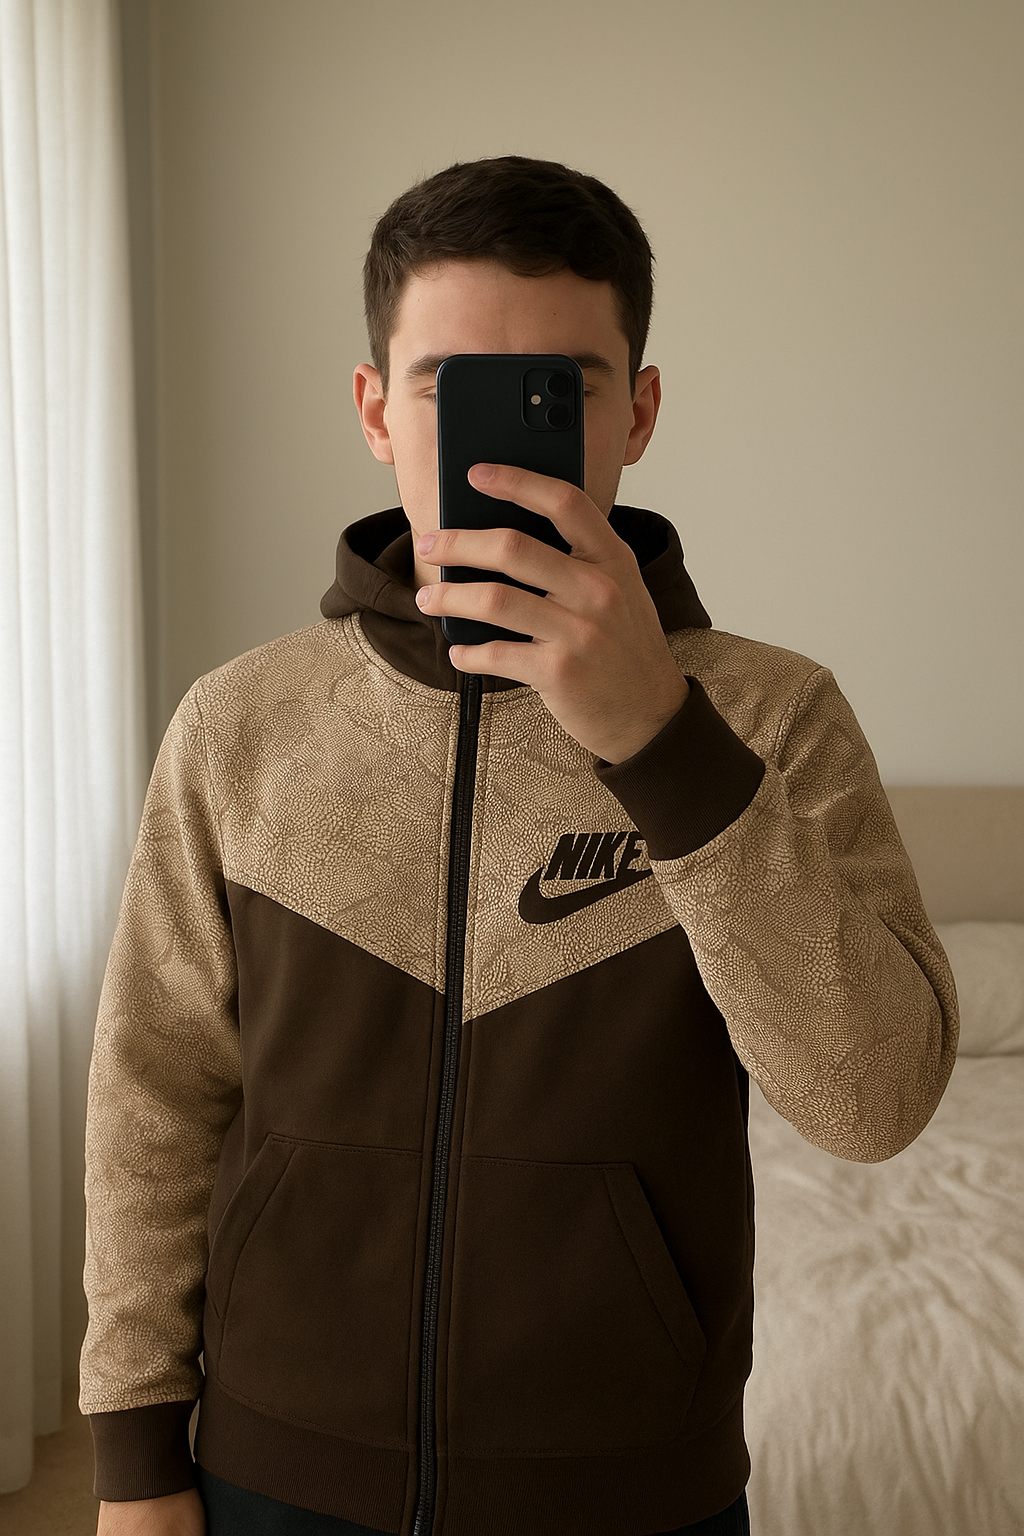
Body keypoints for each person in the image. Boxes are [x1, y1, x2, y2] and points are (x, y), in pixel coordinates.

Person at [81, 156, 958, 1536]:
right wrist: (134, 1455)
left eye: (557, 391)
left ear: (639, 412)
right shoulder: (240, 724)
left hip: (631, 1487)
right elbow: (155, 1093)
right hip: (275, 1462)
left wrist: (661, 741)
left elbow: (876, 1100)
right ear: (375, 409)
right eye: (446, 386)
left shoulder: (772, 716)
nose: (494, 451)